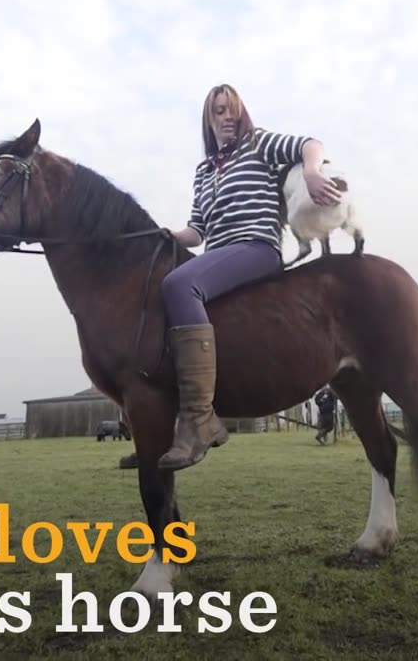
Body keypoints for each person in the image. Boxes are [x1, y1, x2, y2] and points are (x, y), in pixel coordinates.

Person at [119, 84, 343, 472]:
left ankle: (198, 418)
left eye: (232, 110)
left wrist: (310, 170)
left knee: (179, 284)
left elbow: (310, 143)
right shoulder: (204, 171)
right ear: (209, 119)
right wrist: (164, 235)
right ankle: (156, 420)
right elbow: (197, 231)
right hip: (218, 253)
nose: (227, 117)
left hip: (256, 248)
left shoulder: (258, 145)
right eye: (219, 111)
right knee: (158, 287)